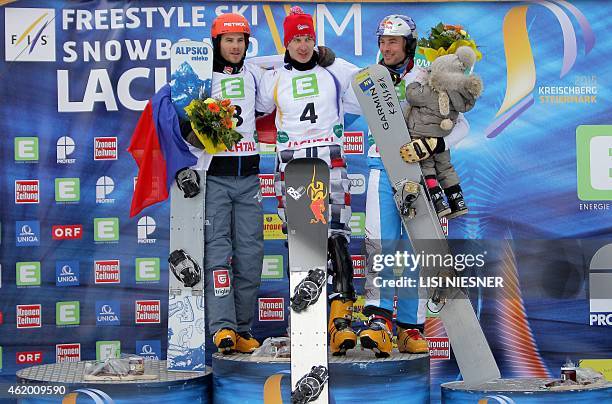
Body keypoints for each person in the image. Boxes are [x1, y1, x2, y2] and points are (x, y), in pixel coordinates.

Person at [359, 14, 470, 357]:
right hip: (381, 170)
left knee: (416, 254)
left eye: (394, 41)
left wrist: (434, 145)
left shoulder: (425, 77)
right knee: (381, 247)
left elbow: (460, 125)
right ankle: (378, 322)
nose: (387, 47)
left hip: (418, 175)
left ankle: (410, 328)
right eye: (382, 41)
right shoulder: (368, 78)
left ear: (408, 44)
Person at [257, 6, 363, 356]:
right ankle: (307, 323)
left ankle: (341, 319)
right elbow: (250, 82)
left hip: (328, 159)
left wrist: (331, 59)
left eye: (308, 39)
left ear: (316, 41)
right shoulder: (274, 77)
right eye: (295, 39)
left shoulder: (333, 71)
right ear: (286, 42)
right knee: (302, 244)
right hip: (291, 164)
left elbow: (365, 86)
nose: (303, 46)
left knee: (336, 237)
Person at [183, 13, 264, 354]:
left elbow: (285, 71)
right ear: (217, 44)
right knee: (218, 254)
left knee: (250, 256)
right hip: (215, 177)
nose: (235, 46)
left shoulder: (255, 73)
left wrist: (319, 56)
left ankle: (243, 328)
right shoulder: (203, 78)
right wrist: (192, 134)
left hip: (249, 178)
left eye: (240, 40)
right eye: (228, 40)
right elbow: (179, 119)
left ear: (247, 44)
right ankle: (222, 328)